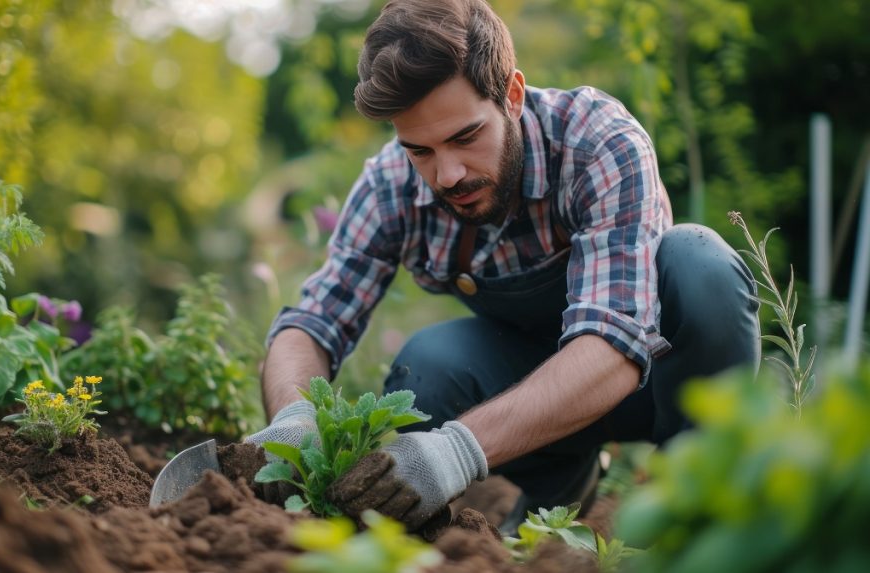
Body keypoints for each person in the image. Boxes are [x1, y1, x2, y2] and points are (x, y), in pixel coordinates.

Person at [246, 0, 761, 533]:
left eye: (465, 138)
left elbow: (613, 345)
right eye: (420, 150)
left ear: (512, 95)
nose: (447, 174)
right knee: (427, 366)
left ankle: (702, 498)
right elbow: (312, 323)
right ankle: (558, 483)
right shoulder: (389, 186)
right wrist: (295, 418)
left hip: (656, 381)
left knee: (701, 264)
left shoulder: (596, 142)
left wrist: (455, 453)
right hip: (538, 392)